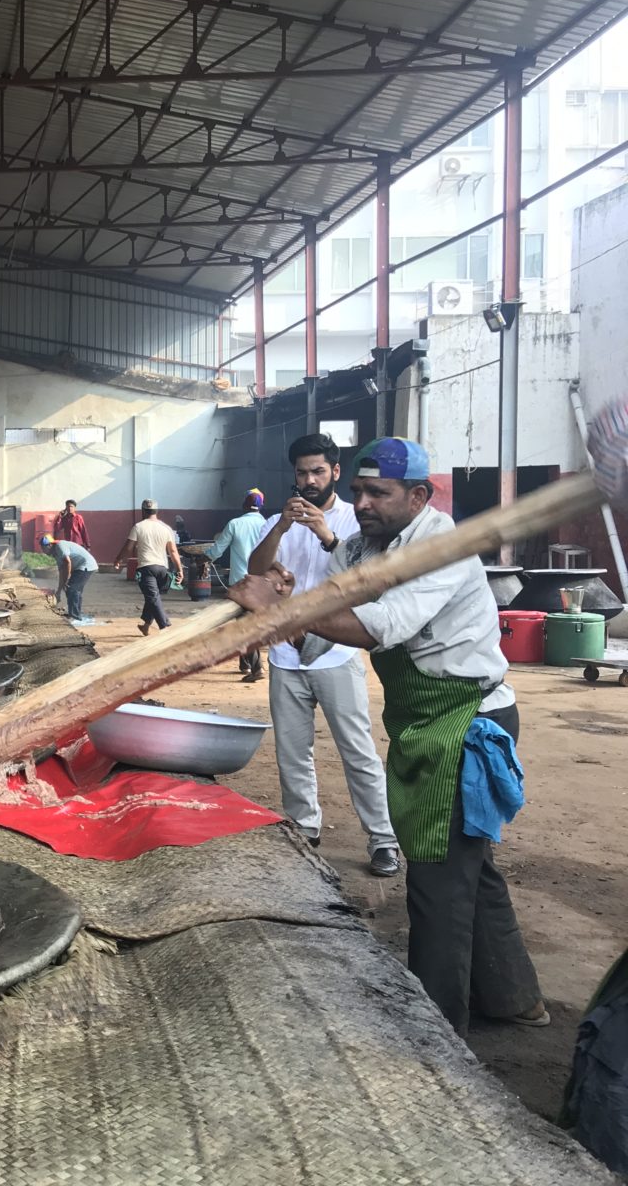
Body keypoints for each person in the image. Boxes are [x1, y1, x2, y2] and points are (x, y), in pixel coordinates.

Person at [230, 438, 544, 1034]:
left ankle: (436, 1031)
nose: (363, 502)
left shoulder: (442, 548)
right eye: (359, 492)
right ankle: (513, 998)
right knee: (469, 868)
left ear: (419, 496)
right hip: (424, 719)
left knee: (435, 875)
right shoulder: (355, 548)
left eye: (379, 493)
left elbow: (384, 626)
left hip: (469, 722)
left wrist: (281, 611)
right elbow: (324, 637)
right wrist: (277, 622)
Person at [246, 435, 399, 875]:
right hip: (285, 655)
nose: (309, 480)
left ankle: (383, 839)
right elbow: (257, 572)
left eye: (318, 471)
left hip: (337, 653)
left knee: (358, 750)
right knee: (292, 751)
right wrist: (280, 528)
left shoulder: (357, 519)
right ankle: (304, 828)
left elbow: (367, 582)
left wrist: (325, 534)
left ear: (335, 472)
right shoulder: (277, 521)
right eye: (301, 472)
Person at [204, 488, 271, 681]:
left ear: (243, 505)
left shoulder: (235, 524)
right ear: (261, 506)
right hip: (263, 583)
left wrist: (204, 559)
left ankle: (257, 668)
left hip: (240, 583)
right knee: (252, 623)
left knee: (244, 627)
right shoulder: (269, 525)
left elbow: (217, 549)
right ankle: (245, 662)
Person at [113, 499, 182, 635]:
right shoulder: (166, 528)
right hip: (162, 569)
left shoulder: (139, 527)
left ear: (143, 511)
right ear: (156, 511)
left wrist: (118, 559)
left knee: (153, 597)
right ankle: (146, 625)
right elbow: (173, 551)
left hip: (146, 568)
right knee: (153, 597)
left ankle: (164, 626)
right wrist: (179, 570)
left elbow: (129, 547)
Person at [41, 534, 97, 624]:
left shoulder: (60, 546)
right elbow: (61, 572)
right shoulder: (55, 554)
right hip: (78, 567)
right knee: (72, 589)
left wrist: (66, 580)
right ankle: (76, 614)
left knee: (72, 589)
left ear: (49, 545)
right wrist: (58, 591)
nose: (43, 551)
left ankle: (75, 616)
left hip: (86, 565)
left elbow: (67, 562)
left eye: (43, 548)